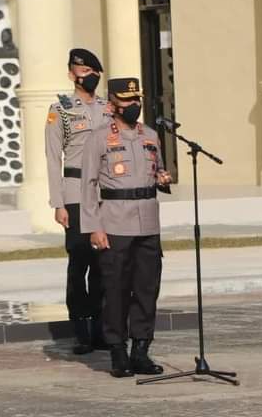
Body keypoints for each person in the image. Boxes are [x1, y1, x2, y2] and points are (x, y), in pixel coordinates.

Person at [80, 77, 172, 378]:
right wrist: (94, 226)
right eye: (127, 101)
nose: (134, 106)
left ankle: (141, 352)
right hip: (115, 223)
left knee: (147, 290)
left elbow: (156, 169)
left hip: (148, 222)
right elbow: (88, 185)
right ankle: (118, 353)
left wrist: (162, 178)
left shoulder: (151, 135)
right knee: (116, 291)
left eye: (137, 100)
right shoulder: (99, 138)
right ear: (112, 104)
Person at [45, 48, 110, 354]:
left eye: (93, 72)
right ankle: (80, 326)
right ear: (72, 74)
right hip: (74, 191)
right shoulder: (60, 109)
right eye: (82, 72)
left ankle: (99, 326)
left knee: (102, 262)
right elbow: (51, 157)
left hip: (103, 193)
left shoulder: (108, 108)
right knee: (79, 261)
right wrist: (58, 202)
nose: (88, 77)